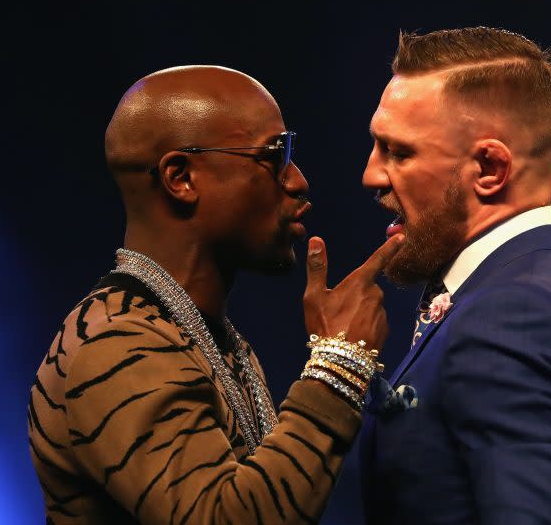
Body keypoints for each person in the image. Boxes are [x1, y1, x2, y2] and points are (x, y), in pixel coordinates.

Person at [28, 65, 404, 525]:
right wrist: (339, 363)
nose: (298, 180)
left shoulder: (200, 336)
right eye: (274, 156)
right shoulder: (117, 343)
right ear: (181, 178)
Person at [359, 27, 551, 525]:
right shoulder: (549, 291)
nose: (372, 175)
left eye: (399, 152)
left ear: (490, 168)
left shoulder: (516, 316)